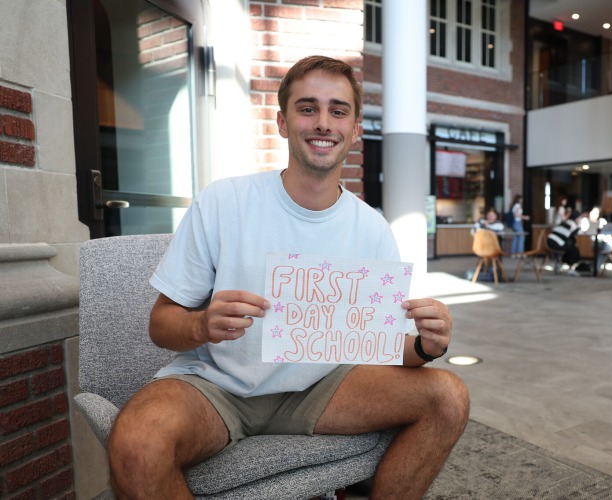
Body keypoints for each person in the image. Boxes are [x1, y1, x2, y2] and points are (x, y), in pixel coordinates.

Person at [107, 56, 470, 499]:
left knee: (448, 397)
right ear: (282, 122)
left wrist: (424, 346)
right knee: (136, 443)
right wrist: (201, 325)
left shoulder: (373, 229)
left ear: (355, 129)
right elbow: (160, 325)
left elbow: (381, 349)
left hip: (324, 388)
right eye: (307, 108)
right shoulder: (224, 202)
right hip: (216, 387)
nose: (323, 122)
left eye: (338, 111)